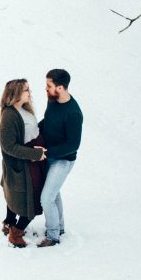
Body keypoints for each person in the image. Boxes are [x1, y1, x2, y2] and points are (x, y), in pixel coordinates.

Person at [0, 79, 47, 248]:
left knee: (16, 196)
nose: (29, 92)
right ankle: (16, 233)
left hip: (33, 162)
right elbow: (9, 146)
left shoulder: (24, 109)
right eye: (26, 90)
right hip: (24, 164)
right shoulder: (9, 116)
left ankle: (9, 222)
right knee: (32, 199)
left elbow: (31, 130)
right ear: (16, 94)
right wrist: (34, 154)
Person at [37, 68, 83, 248]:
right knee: (53, 193)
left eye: (49, 86)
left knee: (46, 197)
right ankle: (60, 227)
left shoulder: (73, 113)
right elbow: (47, 121)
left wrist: (47, 153)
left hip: (63, 160)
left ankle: (53, 236)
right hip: (49, 155)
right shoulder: (53, 100)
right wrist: (34, 130)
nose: (46, 89)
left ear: (60, 88)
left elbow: (73, 145)